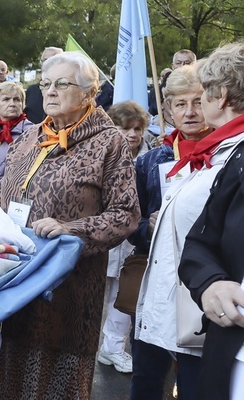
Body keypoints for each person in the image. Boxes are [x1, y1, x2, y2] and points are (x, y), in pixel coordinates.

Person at [0, 51, 140, 399]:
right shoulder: (30, 137)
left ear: (89, 93)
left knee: (54, 382)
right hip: (14, 283)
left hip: (67, 292)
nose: (50, 92)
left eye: (61, 84)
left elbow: (126, 214)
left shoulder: (108, 142)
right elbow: (2, 194)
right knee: (8, 374)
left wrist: (71, 230)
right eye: (45, 84)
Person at [130, 65, 213, 399]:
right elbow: (129, 221)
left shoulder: (224, 156)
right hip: (155, 283)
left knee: (195, 381)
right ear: (167, 110)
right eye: (180, 104)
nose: (190, 112)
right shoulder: (150, 161)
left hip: (202, 285)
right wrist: (145, 227)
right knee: (147, 378)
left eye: (197, 101)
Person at [179, 42, 244, 400]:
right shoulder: (235, 158)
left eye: (203, 92)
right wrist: (211, 284)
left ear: (219, 96)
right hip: (232, 349)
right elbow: (201, 241)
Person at [94, 100, 151, 374]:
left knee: (122, 296)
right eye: (125, 127)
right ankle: (86, 344)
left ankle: (113, 348)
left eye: (137, 128)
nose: (132, 134)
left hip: (130, 242)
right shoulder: (100, 154)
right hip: (101, 239)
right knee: (94, 294)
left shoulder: (151, 161)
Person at [24, 47, 63, 123]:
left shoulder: (69, 89)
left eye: (52, 60)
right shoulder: (31, 90)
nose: (46, 64)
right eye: (44, 60)